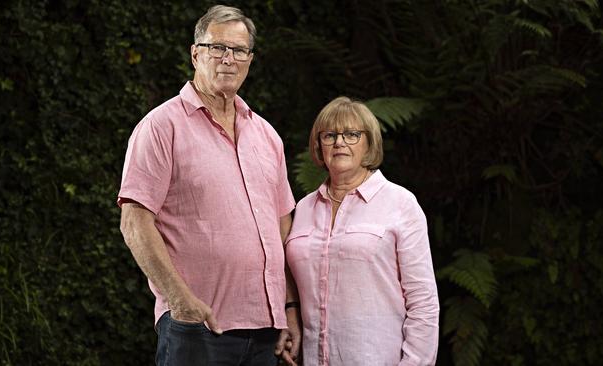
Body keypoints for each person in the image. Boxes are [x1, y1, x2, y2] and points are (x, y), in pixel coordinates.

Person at [118, 5, 301, 365]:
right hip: (197, 326)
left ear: (250, 59)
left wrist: (289, 309)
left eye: (239, 50)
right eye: (218, 48)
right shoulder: (161, 127)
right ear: (195, 53)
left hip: (266, 331)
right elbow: (134, 221)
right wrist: (180, 300)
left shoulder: (267, 136)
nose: (228, 59)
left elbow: (282, 232)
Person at [285, 96, 440, 365]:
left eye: (352, 134)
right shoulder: (303, 208)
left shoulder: (400, 203)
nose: (339, 142)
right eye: (330, 135)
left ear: (369, 142)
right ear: (319, 145)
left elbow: (423, 304)